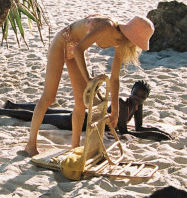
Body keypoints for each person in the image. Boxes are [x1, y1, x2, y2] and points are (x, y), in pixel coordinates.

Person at [24, 15, 155, 156]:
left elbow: (115, 79)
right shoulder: (108, 26)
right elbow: (78, 49)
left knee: (81, 102)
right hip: (63, 41)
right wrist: (89, 80)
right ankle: (30, 144)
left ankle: (74, 147)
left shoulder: (121, 42)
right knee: (49, 97)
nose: (135, 47)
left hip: (76, 50)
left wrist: (115, 112)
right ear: (131, 36)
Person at [0, 80, 174, 141]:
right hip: (83, 121)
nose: (137, 98)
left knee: (51, 111)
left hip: (88, 116)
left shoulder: (138, 107)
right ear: (130, 92)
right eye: (136, 94)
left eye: (141, 97)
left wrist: (158, 133)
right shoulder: (122, 104)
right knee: (43, 116)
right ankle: (0, 111)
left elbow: (138, 129)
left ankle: (13, 105)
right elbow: (124, 131)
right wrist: (155, 135)